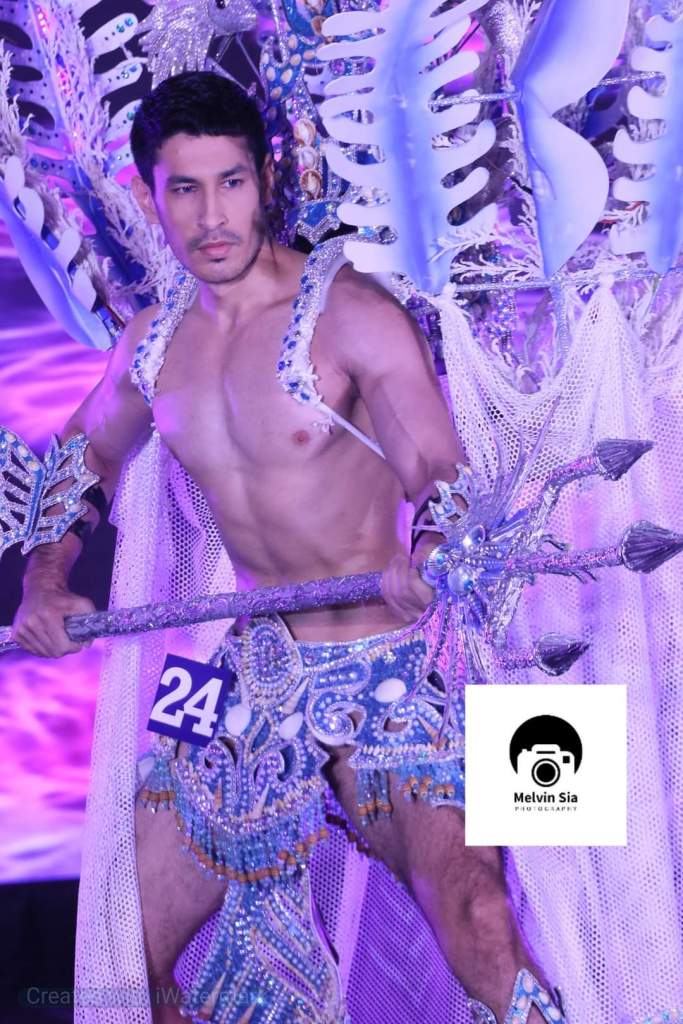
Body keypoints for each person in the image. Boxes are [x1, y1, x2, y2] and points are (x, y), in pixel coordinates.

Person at [12, 72, 567, 1024]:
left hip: (397, 665)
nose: (210, 216)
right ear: (150, 195)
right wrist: (46, 577)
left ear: (265, 179)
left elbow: (437, 467)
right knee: (120, 946)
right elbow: (84, 456)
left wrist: (432, 547)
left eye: (230, 182)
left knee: (480, 917)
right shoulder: (152, 345)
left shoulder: (351, 315)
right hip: (243, 671)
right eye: (185, 189)